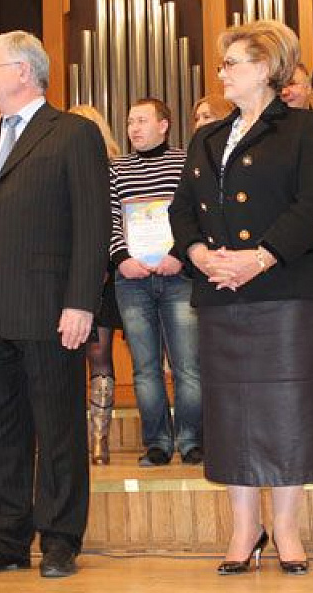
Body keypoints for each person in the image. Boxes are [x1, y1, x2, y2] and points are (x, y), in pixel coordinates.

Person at [170, 19, 313, 575]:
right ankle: (245, 528)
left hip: (287, 290)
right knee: (231, 414)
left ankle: (287, 527)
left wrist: (260, 257)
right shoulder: (207, 137)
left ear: (266, 68)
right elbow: (182, 208)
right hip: (221, 292)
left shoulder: (303, 127)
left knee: (288, 410)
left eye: (232, 64)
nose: (221, 73)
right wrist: (199, 255)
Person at [0, 31, 110, 579]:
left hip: (49, 309)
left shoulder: (73, 134)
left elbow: (92, 224)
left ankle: (60, 539)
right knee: (1, 432)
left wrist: (81, 302)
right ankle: (8, 539)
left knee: (58, 428)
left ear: (22, 71)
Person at [111, 98, 202, 466]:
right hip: (131, 280)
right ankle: (158, 443)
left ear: (164, 125)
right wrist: (122, 259)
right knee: (145, 368)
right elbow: (109, 219)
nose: (133, 128)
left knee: (187, 365)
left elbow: (195, 214)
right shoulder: (117, 169)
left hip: (178, 275)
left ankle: (191, 440)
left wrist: (179, 254)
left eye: (142, 121)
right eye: (130, 121)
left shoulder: (185, 162)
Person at [68, 103, 125, 465]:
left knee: (99, 355)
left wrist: (101, 264)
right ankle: (69, 439)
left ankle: (99, 440)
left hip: (102, 274)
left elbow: (114, 221)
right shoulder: (56, 169)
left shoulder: (112, 171)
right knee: (63, 358)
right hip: (63, 277)